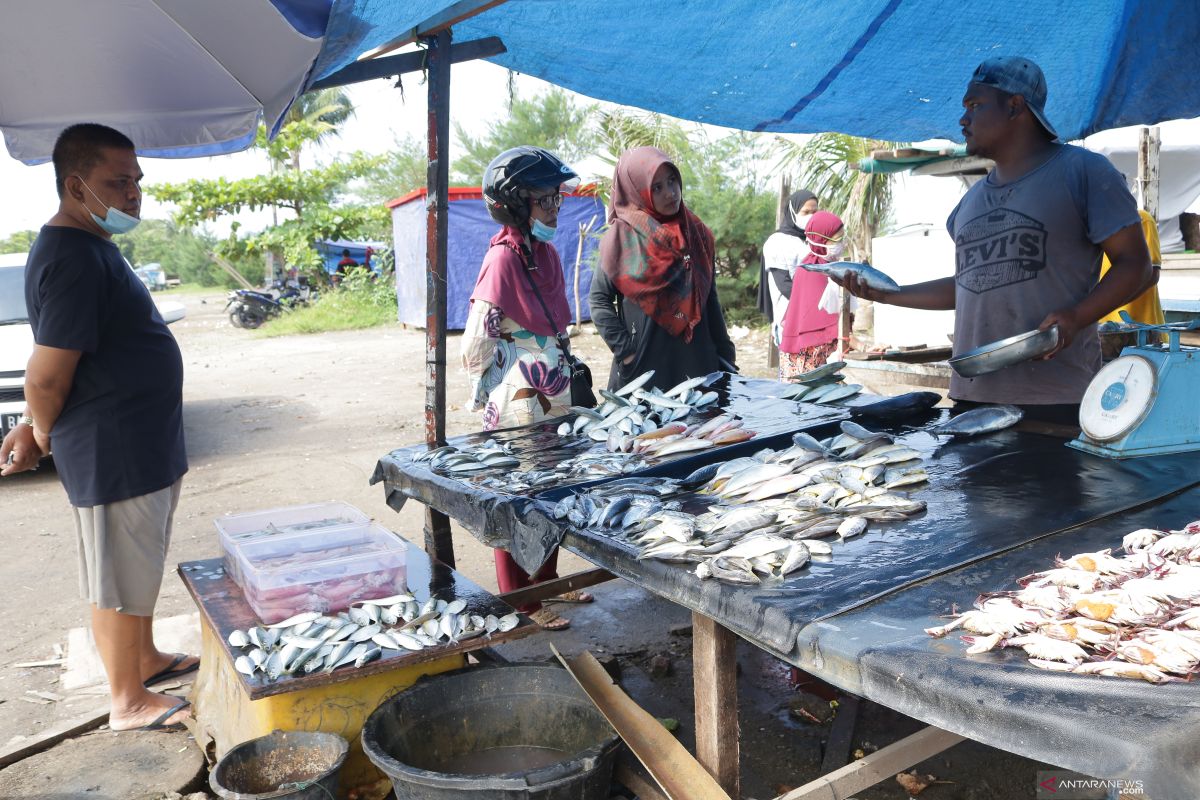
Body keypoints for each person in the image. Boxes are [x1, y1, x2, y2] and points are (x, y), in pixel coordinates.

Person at [0, 123, 195, 731]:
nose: (134, 193)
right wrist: (38, 432)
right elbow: (47, 374)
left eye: (137, 180)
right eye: (118, 181)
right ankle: (127, 700)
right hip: (113, 447)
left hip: (139, 441)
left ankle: (144, 658)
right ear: (75, 184)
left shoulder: (91, 246)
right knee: (115, 574)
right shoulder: (72, 255)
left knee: (139, 562)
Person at [838, 56, 1151, 424]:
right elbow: (969, 287)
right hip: (970, 399)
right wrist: (886, 293)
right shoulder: (968, 205)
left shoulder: (1083, 172)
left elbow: (1137, 266)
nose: (962, 120)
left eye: (975, 105)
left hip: (1055, 403)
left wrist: (1076, 317)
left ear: (1015, 105)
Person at [461, 145, 593, 630]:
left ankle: (550, 581)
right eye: (546, 200)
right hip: (519, 398)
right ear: (516, 203)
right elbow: (474, 346)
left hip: (553, 390)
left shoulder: (547, 254)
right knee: (518, 496)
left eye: (556, 199)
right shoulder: (501, 259)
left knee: (554, 490)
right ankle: (524, 601)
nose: (555, 209)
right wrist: (511, 356)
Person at [590, 146, 737, 392]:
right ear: (637, 191)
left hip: (697, 361)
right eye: (656, 187)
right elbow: (598, 300)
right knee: (647, 429)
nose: (670, 193)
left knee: (701, 426)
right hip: (645, 367)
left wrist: (724, 351)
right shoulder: (621, 239)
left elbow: (708, 296)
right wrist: (627, 352)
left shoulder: (697, 233)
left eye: (672, 182)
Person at [778, 210, 846, 378]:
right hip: (805, 361)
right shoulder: (811, 271)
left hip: (817, 358)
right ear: (821, 240)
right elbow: (818, 326)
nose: (842, 243)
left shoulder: (830, 269)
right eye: (837, 240)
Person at [1099, 208, 1164, 360]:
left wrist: (1100, 307)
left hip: (1142, 335)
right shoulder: (1090, 228)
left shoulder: (1141, 219)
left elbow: (1152, 274)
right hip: (1104, 336)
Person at [759, 190, 818, 350]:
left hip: (816, 322)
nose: (811, 216)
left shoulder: (813, 240)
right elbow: (784, 285)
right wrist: (813, 307)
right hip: (791, 321)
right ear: (792, 212)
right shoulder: (778, 242)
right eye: (805, 212)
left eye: (815, 212)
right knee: (793, 373)